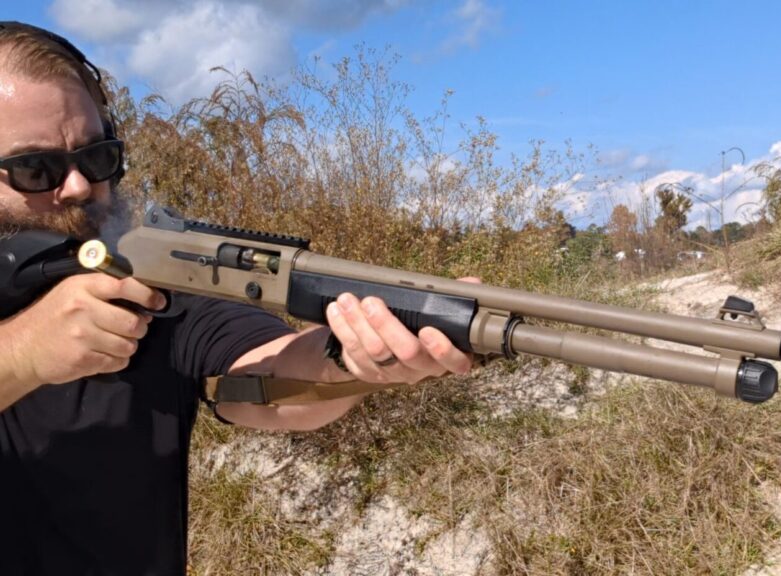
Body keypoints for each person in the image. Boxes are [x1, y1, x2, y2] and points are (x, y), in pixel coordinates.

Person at [0, 21, 474, 575]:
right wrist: (26, 353)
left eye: (96, 157)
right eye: (35, 169)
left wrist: (353, 353)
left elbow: (267, 377)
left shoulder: (144, 286)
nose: (80, 186)